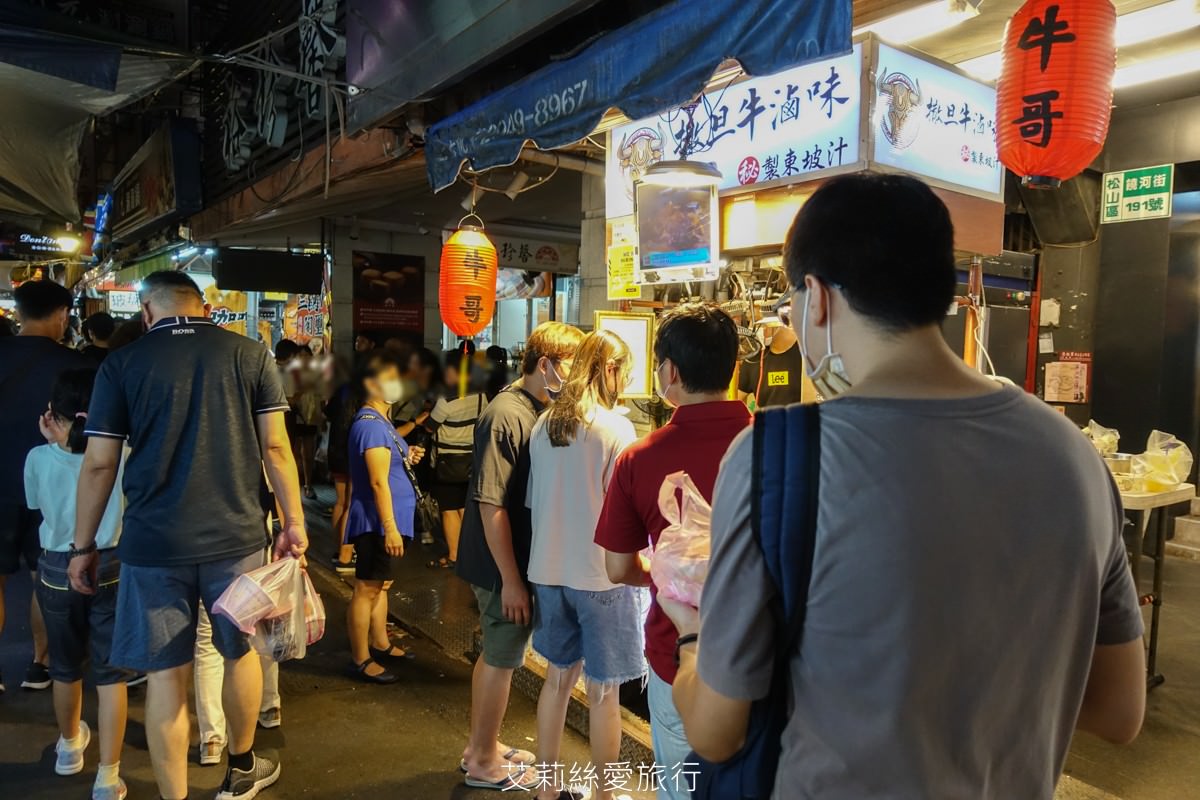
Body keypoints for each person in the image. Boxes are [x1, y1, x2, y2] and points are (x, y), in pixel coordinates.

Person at [662, 174, 1147, 799]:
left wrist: (694, 640)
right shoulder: (1075, 458)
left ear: (815, 297)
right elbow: (1118, 711)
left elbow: (715, 731)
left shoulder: (773, 457)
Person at [70, 270, 307, 800]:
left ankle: (174, 795)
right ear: (203, 307)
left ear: (148, 312)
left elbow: (100, 465)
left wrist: (83, 546)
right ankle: (241, 770)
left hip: (152, 547)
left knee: (165, 676)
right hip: (237, 539)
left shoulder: (122, 364)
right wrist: (293, 522)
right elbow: (276, 448)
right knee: (239, 652)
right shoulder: (250, 354)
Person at [593, 303, 749, 800]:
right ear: (734, 369)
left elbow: (618, 567)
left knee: (683, 785)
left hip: (678, 655)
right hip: (767, 652)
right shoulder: (775, 444)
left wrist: (668, 575)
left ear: (670, 372)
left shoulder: (642, 457)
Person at [456, 321, 584, 791]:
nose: (574, 376)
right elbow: (490, 503)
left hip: (507, 560)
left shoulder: (533, 405)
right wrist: (511, 579)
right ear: (544, 364)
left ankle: (480, 745)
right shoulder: (507, 414)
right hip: (498, 563)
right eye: (570, 366)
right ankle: (484, 762)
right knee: (502, 656)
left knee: (498, 653)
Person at [527, 331, 642, 800]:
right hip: (599, 576)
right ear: (609, 370)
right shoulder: (615, 428)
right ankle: (603, 795)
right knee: (603, 692)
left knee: (556, 681)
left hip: (548, 572)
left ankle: (548, 790)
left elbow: (536, 501)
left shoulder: (544, 425)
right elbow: (623, 513)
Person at [24, 368, 129, 800]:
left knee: (65, 667)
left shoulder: (37, 457)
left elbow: (34, 504)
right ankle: (108, 775)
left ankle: (69, 748)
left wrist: (56, 447)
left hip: (54, 566)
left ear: (54, 413)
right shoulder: (123, 452)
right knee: (111, 673)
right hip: (112, 564)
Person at [0, 279, 90, 694]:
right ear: (62, 314)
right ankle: (41, 662)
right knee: (44, 577)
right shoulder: (76, 367)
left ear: (18, 312)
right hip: (52, 489)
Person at [343, 351, 423, 683]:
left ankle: (380, 641)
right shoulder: (370, 425)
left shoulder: (382, 423)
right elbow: (377, 481)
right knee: (367, 587)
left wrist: (408, 456)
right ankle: (361, 658)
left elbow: (386, 468)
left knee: (381, 585)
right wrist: (389, 527)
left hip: (387, 521)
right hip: (378, 523)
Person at [423, 351, 488, 569]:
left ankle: (453, 555)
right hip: (472, 458)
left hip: (447, 462)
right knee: (462, 507)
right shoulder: (481, 395)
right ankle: (466, 553)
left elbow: (430, 426)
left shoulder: (447, 399)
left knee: (449, 509)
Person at [737, 320, 808, 409]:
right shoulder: (754, 359)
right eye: (751, 320)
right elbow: (733, 400)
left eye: (758, 321)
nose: (754, 327)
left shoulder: (807, 353)